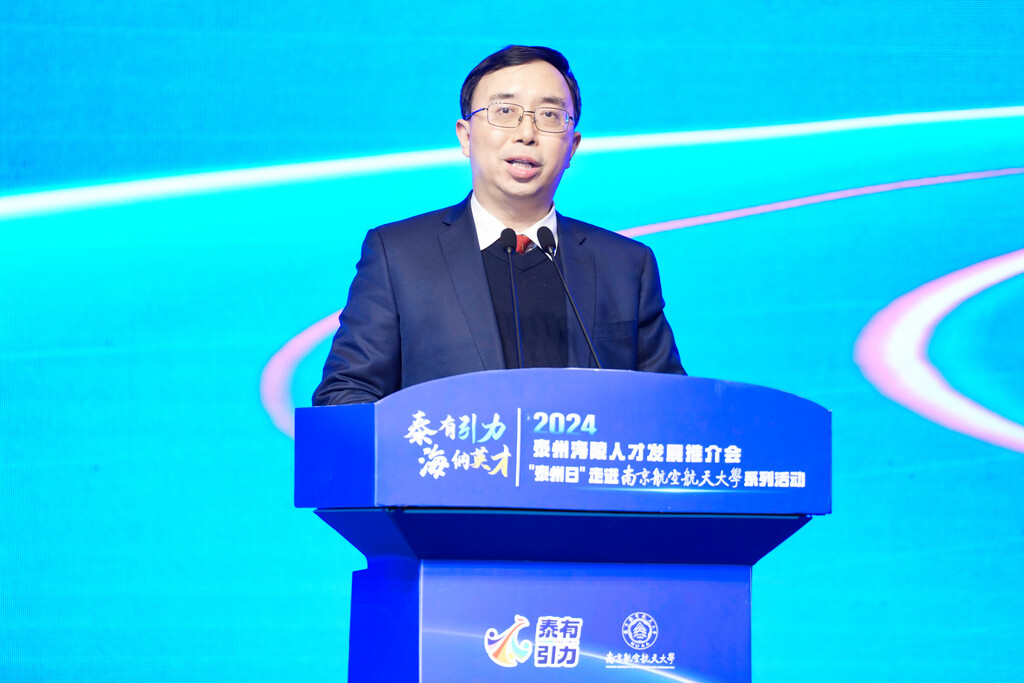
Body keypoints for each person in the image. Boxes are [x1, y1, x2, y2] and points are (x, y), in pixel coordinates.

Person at [313, 45, 684, 406]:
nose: (526, 133)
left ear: (572, 147)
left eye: (550, 115)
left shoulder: (626, 265)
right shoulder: (399, 255)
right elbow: (344, 396)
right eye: (505, 111)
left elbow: (675, 407)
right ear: (466, 136)